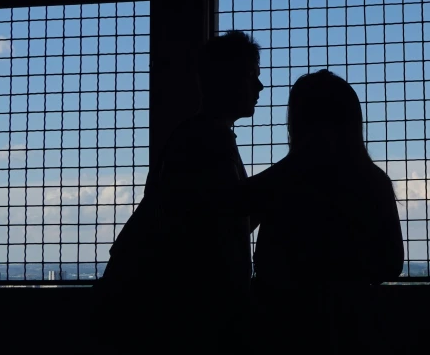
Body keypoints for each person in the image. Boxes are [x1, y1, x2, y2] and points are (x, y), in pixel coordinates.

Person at [93, 30, 264, 354]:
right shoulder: (207, 143)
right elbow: (221, 220)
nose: (259, 87)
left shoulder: (195, 139)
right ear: (227, 80)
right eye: (251, 76)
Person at [245, 70, 404, 353]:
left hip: (281, 326)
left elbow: (233, 219)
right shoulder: (374, 182)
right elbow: (390, 263)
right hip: (353, 325)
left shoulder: (279, 181)